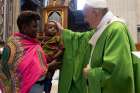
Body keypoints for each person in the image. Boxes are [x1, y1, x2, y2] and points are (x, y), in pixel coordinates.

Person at [82, 0, 140, 93]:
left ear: (96, 12)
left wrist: (90, 74)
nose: (85, 20)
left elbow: (117, 73)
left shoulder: (116, 30)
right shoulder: (103, 29)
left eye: (86, 15)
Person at [0, 11, 48, 93]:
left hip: (39, 87)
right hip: (23, 89)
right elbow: (6, 68)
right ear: (24, 27)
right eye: (34, 27)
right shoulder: (13, 44)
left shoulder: (35, 44)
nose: (37, 30)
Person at [42, 21, 64, 93]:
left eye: (55, 28)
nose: (53, 29)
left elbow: (62, 49)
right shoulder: (43, 38)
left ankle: (47, 91)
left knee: (49, 78)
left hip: (52, 61)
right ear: (45, 30)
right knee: (42, 77)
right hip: (42, 61)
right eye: (50, 27)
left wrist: (55, 56)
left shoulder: (57, 38)